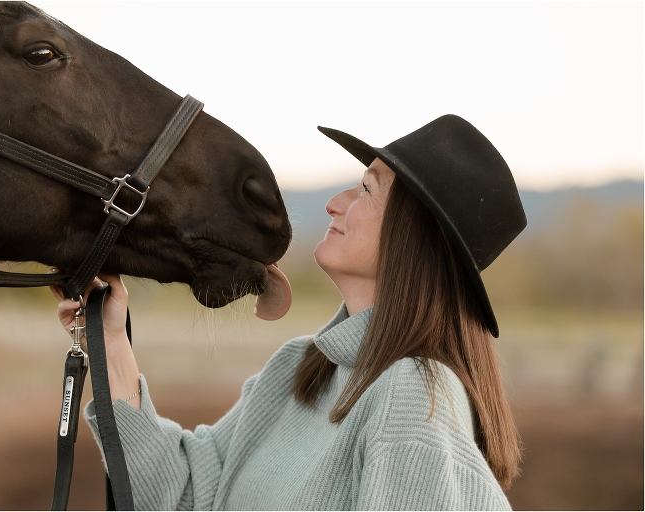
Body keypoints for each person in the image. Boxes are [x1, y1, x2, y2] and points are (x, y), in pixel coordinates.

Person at [52, 114, 526, 510]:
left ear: (415, 236)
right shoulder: (299, 369)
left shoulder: (413, 395)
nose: (335, 203)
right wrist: (112, 342)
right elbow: (185, 495)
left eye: (365, 189)